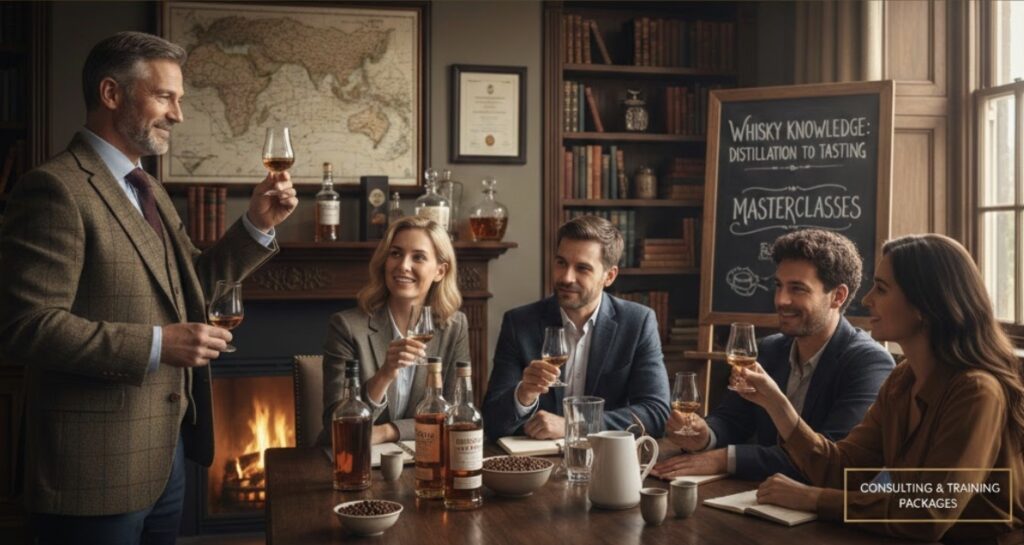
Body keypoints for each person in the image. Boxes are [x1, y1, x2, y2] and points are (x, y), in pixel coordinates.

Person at [0, 32, 297, 544]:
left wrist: (255, 225)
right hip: (91, 471)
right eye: (164, 97)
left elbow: (191, 289)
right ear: (111, 94)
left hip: (166, 460)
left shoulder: (148, 186)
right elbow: (25, 327)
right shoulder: (53, 188)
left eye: (178, 99)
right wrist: (160, 344)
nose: (177, 115)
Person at [741, 234, 1024, 542]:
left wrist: (813, 498)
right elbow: (844, 469)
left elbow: (928, 513)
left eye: (882, 288)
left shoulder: (977, 391)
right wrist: (778, 406)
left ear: (924, 304)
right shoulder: (903, 378)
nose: (866, 299)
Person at [653, 229, 894, 482]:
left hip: (832, 511)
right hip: (765, 499)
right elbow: (732, 419)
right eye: (779, 285)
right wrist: (705, 436)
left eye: (798, 289)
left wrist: (724, 458)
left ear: (838, 296)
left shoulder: (869, 363)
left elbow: (829, 461)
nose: (781, 300)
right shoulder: (768, 349)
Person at [483, 215, 670, 440]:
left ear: (609, 276)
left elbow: (656, 413)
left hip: (606, 460)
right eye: (561, 263)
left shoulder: (638, 322)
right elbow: (491, 422)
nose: (566, 277)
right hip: (538, 465)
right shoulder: (519, 323)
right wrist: (523, 395)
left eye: (582, 268)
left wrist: (576, 425)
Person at [318, 216, 469, 445]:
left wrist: (390, 431)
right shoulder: (346, 326)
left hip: (422, 458)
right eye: (396, 253)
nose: (403, 266)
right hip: (352, 459)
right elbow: (335, 424)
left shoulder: (454, 327)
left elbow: (457, 414)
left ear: (440, 271)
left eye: (418, 257)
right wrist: (385, 373)